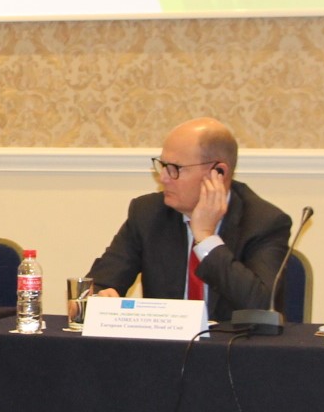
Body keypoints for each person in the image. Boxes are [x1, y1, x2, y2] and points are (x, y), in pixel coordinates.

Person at [87, 117, 293, 319]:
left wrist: (206, 239)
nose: (163, 177)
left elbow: (263, 308)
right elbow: (99, 285)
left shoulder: (264, 222)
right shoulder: (148, 213)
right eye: (162, 165)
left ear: (218, 172)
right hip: (164, 340)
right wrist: (96, 299)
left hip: (231, 342)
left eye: (174, 168)